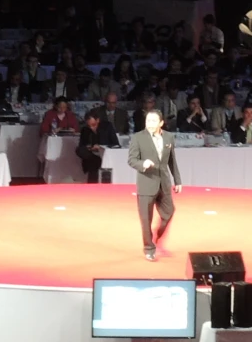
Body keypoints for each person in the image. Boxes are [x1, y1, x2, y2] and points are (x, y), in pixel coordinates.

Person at [127, 108, 179, 260]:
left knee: (169, 212)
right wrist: (144, 163)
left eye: (153, 121)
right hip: (146, 183)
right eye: (148, 120)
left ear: (161, 123)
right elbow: (131, 160)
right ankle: (149, 248)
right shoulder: (138, 137)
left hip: (164, 182)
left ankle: (157, 236)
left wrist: (178, 181)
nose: (150, 123)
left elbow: (172, 161)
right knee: (146, 219)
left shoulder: (169, 137)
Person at [75, 107, 117, 186]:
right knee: (83, 154)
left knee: (96, 163)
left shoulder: (107, 127)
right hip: (91, 156)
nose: (91, 127)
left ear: (98, 120)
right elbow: (81, 146)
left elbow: (115, 144)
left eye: (93, 125)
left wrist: (100, 147)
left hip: (105, 154)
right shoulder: (85, 130)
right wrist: (89, 147)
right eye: (89, 125)